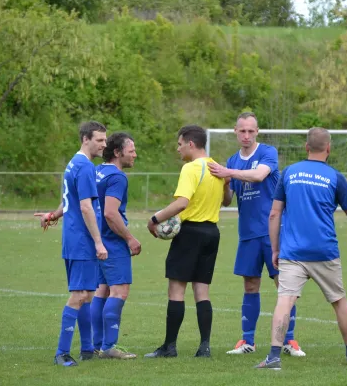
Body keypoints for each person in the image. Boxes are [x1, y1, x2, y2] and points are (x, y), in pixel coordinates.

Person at [255, 127, 347, 370]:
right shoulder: (335, 177)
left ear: (306, 147)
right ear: (329, 148)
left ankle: (274, 357)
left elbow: (274, 214)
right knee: (339, 301)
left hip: (293, 251)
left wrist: (275, 249)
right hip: (325, 252)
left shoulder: (289, 173)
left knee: (284, 301)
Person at [208, 112, 305, 357]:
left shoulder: (267, 152)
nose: (247, 135)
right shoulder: (233, 160)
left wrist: (228, 172)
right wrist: (226, 183)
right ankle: (247, 341)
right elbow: (229, 200)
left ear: (257, 131)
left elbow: (259, 175)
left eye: (251, 131)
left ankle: (289, 340)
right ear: (235, 131)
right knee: (250, 285)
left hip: (273, 232)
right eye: (242, 131)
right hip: (248, 234)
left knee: (283, 286)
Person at [145, 125, 225, 359]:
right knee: (202, 291)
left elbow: (181, 203)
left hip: (190, 232)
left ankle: (170, 347)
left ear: (191, 144)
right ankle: (204, 347)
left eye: (180, 144)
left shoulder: (191, 168)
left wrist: (154, 219)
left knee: (176, 290)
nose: (178, 148)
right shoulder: (217, 167)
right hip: (212, 232)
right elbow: (227, 198)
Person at [35, 121, 108, 367]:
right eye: (99, 140)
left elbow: (70, 202)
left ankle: (87, 348)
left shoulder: (74, 163)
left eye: (105, 140)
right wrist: (98, 242)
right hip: (82, 242)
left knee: (87, 294)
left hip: (74, 239)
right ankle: (61, 353)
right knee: (79, 295)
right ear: (85, 139)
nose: (104, 144)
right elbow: (85, 206)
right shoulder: (85, 167)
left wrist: (53, 216)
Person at [90, 132, 141, 360]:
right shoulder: (117, 177)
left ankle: (97, 345)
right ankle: (109, 346)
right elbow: (111, 213)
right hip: (112, 242)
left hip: (96, 241)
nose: (135, 155)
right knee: (119, 291)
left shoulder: (96, 171)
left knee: (103, 290)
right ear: (118, 153)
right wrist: (130, 238)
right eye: (131, 151)